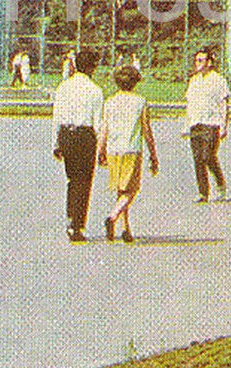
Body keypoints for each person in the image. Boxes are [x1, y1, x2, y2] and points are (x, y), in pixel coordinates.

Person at [99, 65, 157, 244]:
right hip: (131, 149)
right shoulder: (140, 102)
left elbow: (104, 129)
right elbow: (146, 130)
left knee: (121, 190)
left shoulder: (110, 101)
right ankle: (113, 216)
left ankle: (126, 229)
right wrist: (153, 154)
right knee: (132, 189)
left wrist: (100, 150)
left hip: (113, 149)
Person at [52, 48, 104, 243]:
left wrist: (55, 143)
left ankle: (71, 218)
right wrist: (101, 149)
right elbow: (97, 122)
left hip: (66, 134)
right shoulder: (95, 91)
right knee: (84, 181)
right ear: (92, 67)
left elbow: (56, 117)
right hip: (85, 136)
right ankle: (78, 225)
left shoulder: (64, 87)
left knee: (72, 180)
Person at [185, 49, 230, 203]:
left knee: (208, 156)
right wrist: (187, 124)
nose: (197, 63)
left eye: (201, 60)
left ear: (209, 63)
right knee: (197, 159)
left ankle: (220, 184)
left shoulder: (218, 80)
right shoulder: (194, 80)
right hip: (196, 123)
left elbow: (224, 104)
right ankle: (203, 192)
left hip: (212, 123)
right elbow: (190, 103)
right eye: (196, 60)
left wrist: (224, 125)